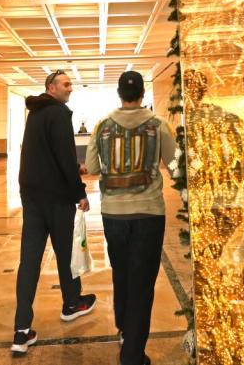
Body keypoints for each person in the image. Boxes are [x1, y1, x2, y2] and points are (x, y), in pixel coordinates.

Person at [85, 71, 175, 365]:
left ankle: (124, 327)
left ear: (119, 94)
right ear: (143, 94)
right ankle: (133, 355)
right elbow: (174, 166)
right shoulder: (158, 124)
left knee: (121, 271)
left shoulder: (101, 125)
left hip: (113, 213)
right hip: (148, 212)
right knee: (143, 282)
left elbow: (92, 168)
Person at [11, 69, 96, 356]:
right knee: (65, 253)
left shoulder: (35, 112)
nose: (70, 88)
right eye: (66, 84)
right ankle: (72, 304)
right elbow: (63, 155)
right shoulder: (58, 113)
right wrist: (79, 193)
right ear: (51, 87)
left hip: (32, 197)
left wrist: (74, 168)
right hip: (56, 199)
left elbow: (45, 154)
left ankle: (21, 330)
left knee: (29, 261)